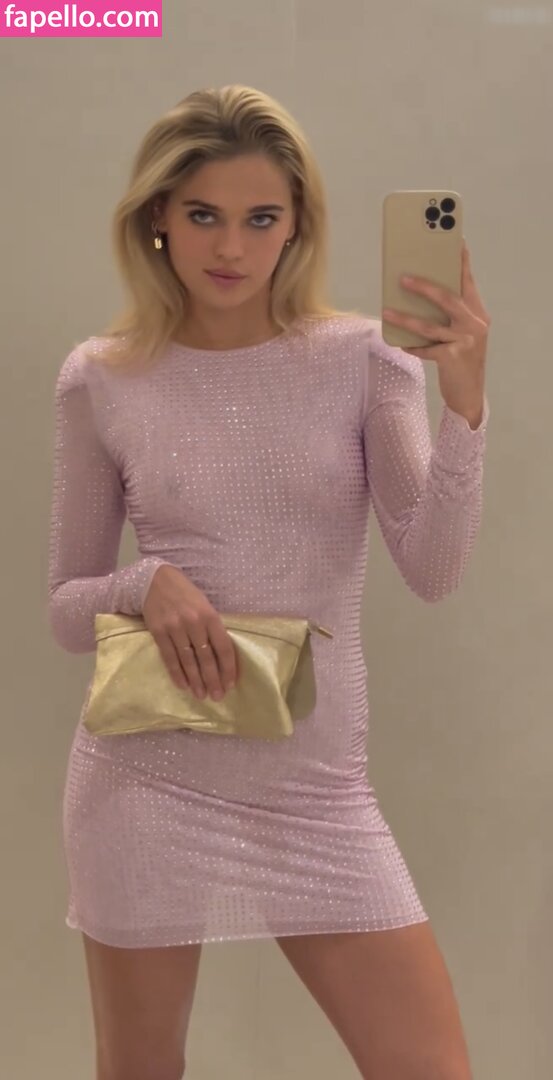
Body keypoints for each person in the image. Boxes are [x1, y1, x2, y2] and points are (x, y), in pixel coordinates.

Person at [47, 84, 490, 1080]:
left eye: (260, 218)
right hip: (146, 783)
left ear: (296, 226)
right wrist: (144, 581)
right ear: (157, 218)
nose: (230, 247)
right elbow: (67, 609)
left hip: (316, 790)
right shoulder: (101, 376)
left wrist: (463, 406)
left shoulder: (364, 359)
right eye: (203, 214)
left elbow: (432, 569)